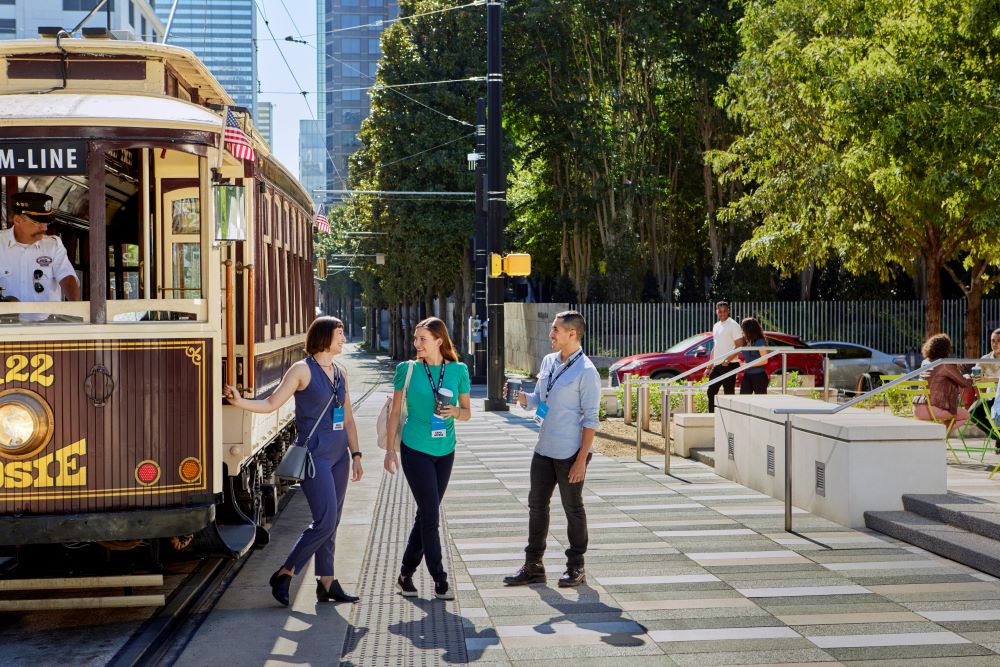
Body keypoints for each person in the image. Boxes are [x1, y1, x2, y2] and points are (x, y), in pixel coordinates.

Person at [225, 316, 363, 606]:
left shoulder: (340, 371)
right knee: (324, 521)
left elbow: (348, 419)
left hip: (340, 457)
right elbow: (272, 403)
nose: (343, 337)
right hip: (315, 457)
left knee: (332, 521)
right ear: (324, 336)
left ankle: (327, 582)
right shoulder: (302, 370)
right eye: (339, 333)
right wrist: (240, 402)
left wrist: (357, 454)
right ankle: (286, 572)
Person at [503, 310, 601, 589]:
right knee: (537, 507)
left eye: (556, 330)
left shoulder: (587, 372)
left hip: (571, 453)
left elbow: (591, 419)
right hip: (544, 449)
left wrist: (582, 459)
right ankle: (533, 565)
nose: (551, 334)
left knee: (573, 508)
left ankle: (576, 566)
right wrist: (522, 399)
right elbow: (539, 399)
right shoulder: (548, 361)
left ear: (573, 334)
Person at [384, 317, 471, 601]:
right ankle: (439, 578)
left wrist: (454, 412)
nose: (416, 344)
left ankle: (405, 574)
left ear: (439, 341)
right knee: (431, 516)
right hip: (415, 449)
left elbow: (467, 412)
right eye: (416, 338)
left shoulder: (458, 370)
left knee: (426, 513)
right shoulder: (406, 370)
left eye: (423, 339)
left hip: (445, 450)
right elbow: (395, 412)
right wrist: (389, 451)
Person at [0, 193, 80, 317]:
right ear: (18, 220)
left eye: (46, 223)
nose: (45, 228)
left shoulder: (53, 245)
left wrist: (77, 310)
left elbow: (66, 277)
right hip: (7, 330)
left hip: (46, 330)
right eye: (38, 222)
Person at [914, 333, 971, 433]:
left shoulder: (925, 362)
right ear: (946, 349)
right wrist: (967, 376)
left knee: (949, 417)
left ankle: (937, 436)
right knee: (965, 415)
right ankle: (938, 436)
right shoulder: (944, 365)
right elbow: (965, 383)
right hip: (932, 410)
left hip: (917, 409)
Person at [707, 301, 744, 412]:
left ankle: (730, 417)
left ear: (728, 311)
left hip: (730, 365)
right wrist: (709, 366)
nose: (722, 313)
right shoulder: (716, 326)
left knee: (728, 394)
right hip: (717, 365)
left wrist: (727, 360)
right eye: (720, 311)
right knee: (711, 391)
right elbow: (715, 346)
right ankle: (712, 417)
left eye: (725, 311)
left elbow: (739, 346)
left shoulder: (733, 325)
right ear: (716, 311)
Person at [738, 318, 770, 394]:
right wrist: (742, 363)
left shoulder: (760, 341)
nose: (742, 330)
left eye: (743, 327)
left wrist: (748, 365)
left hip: (759, 376)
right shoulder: (746, 341)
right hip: (747, 375)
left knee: (760, 402)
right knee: (743, 399)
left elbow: (764, 360)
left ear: (748, 329)